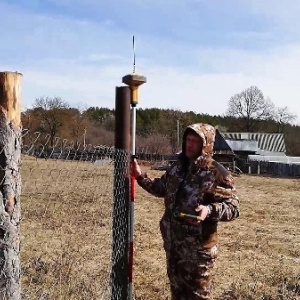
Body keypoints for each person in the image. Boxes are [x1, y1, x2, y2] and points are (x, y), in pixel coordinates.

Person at [131, 123, 240, 300]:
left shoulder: (216, 173)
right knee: (177, 294)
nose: (189, 145)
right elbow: (161, 188)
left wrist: (209, 210)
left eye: (195, 141)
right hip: (174, 247)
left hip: (198, 253)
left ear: (206, 145)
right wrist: (140, 176)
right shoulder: (178, 167)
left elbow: (233, 207)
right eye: (188, 140)